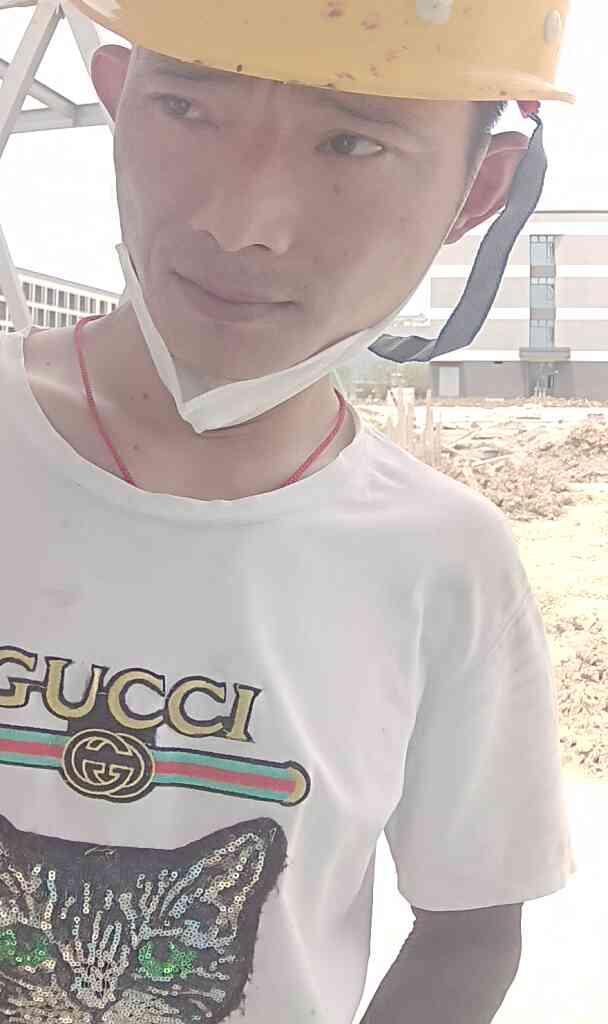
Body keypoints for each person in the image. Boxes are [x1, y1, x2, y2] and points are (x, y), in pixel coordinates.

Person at [0, 3, 576, 1024]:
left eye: (349, 141)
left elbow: (471, 924)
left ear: (476, 191)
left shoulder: (441, 561)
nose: (240, 222)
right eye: (187, 108)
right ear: (120, 99)